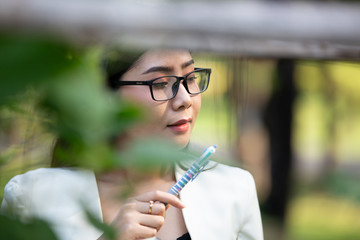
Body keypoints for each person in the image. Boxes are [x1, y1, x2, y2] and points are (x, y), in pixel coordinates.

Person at [1, 48, 263, 240]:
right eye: (161, 83)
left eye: (191, 78)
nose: (184, 99)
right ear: (106, 96)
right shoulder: (33, 197)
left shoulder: (234, 190)